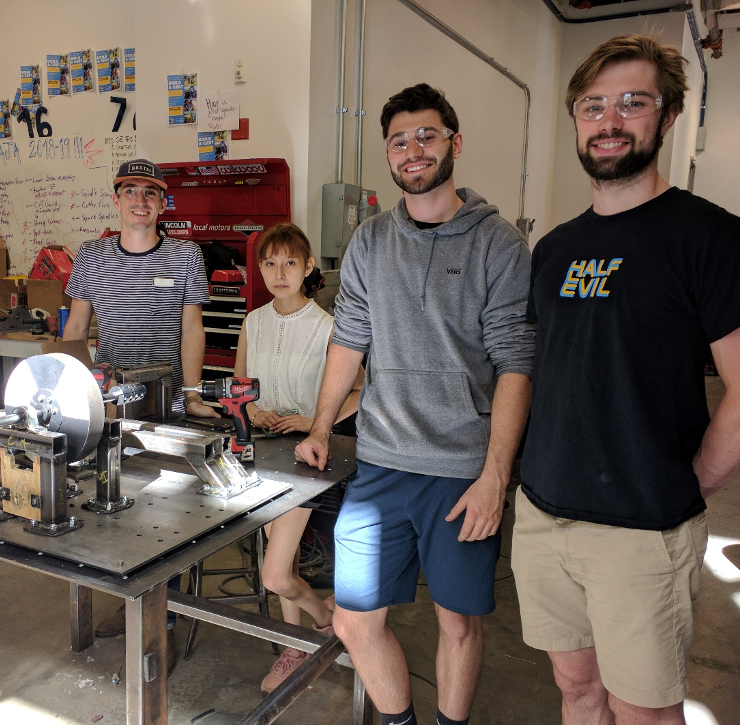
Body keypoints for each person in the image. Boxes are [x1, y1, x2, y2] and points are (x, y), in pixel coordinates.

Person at [511, 34, 740, 725]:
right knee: (577, 691)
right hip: (544, 515)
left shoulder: (715, 239)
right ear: (577, 121)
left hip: (641, 532)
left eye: (632, 102)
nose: (609, 120)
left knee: (644, 710)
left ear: (667, 116)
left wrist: (688, 482)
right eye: (593, 106)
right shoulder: (554, 249)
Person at [296, 83, 535, 725]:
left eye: (426, 135)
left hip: (461, 471)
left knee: (457, 622)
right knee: (353, 619)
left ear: (455, 143)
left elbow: (516, 362)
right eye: (399, 140)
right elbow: (349, 339)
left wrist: (494, 477)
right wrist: (321, 426)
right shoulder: (371, 241)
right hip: (381, 465)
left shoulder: (500, 243)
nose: (413, 149)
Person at [62, 157, 220, 676]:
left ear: (162, 203)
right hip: (110, 407)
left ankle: (163, 624)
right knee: (112, 508)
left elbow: (192, 327)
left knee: (167, 520)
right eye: (130, 191)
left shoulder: (185, 256)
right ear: (116, 199)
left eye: (150, 193)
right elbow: (76, 329)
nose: (140, 201)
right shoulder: (91, 256)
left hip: (167, 406)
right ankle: (128, 603)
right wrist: (76, 394)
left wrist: (193, 393)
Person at [232, 222, 362, 694]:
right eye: (270, 263)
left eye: (290, 262)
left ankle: (323, 618)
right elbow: (240, 388)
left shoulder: (329, 326)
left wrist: (315, 421)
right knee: (280, 564)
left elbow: (362, 389)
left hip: (306, 459)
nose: (280, 272)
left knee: (273, 574)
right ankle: (298, 643)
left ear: (308, 267)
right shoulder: (253, 321)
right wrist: (252, 408)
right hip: (261, 453)